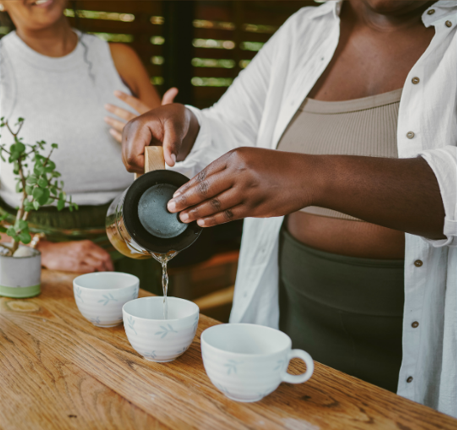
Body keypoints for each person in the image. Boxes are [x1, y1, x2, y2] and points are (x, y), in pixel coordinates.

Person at [121, 0, 457, 417]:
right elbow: (232, 125)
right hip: (296, 331)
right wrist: (185, 125)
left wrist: (315, 177)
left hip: (429, 350)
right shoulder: (305, 30)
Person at [0, 0, 176, 290]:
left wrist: (159, 144)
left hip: (133, 247)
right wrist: (43, 249)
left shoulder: (120, 59)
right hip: (29, 264)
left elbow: (169, 165)